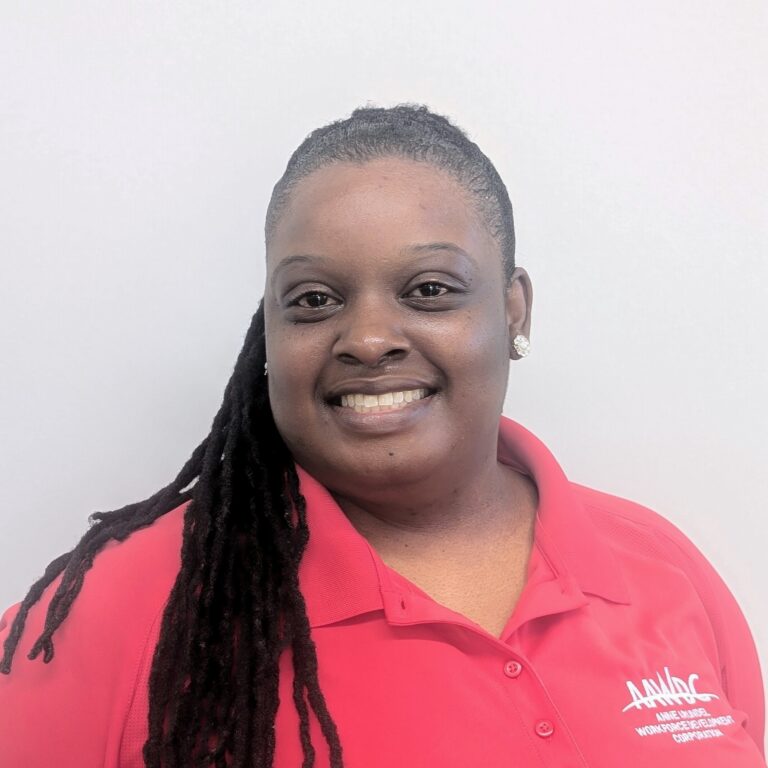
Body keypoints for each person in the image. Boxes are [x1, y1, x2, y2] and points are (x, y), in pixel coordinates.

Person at [0, 104, 764, 768]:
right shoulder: (117, 607)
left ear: (514, 310)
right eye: (313, 299)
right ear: (268, 332)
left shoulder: (660, 567)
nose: (367, 338)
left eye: (429, 289)